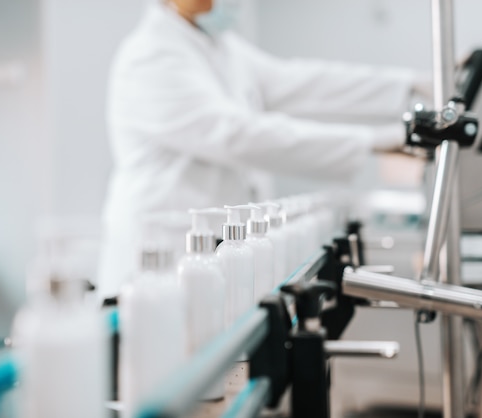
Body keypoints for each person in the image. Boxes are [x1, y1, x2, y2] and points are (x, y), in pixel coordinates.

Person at [97, 0, 430, 300]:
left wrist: (411, 84)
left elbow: (303, 82)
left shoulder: (218, 47)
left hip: (210, 257)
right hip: (164, 259)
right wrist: (374, 140)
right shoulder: (151, 56)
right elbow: (237, 136)